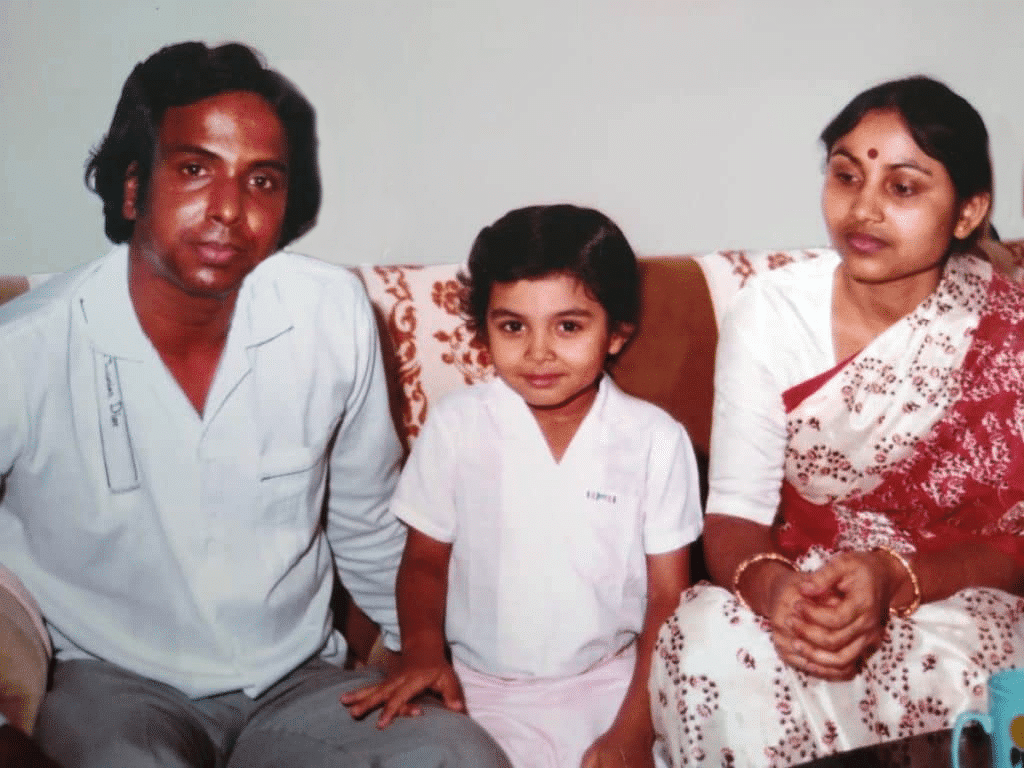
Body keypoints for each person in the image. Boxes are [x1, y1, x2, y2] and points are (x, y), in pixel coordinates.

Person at [0, 41, 508, 768]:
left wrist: (418, 652)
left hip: (300, 686)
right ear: (134, 188)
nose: (230, 210)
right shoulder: (23, 350)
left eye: (262, 180)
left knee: (456, 758)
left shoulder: (329, 313)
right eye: (196, 169)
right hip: (115, 689)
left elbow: (367, 522)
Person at [649, 75, 1024, 767]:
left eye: (903, 188)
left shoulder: (1010, 332)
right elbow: (734, 511)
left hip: (954, 601)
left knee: (994, 678)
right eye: (846, 177)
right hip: (810, 588)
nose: (864, 209)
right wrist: (777, 592)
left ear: (968, 211)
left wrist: (895, 578)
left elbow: (1013, 545)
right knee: (706, 638)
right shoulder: (772, 314)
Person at [342, 204, 704, 768]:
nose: (538, 352)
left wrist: (634, 730)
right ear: (483, 330)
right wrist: (419, 653)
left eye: (568, 326)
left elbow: (666, 600)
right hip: (473, 688)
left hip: (611, 688)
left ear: (616, 333)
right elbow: (424, 563)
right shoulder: (458, 426)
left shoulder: (654, 439)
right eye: (513, 326)